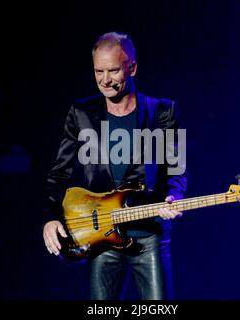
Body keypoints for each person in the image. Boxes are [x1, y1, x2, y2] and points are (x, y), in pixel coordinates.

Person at [42, 31, 187, 300]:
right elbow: (59, 172)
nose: (105, 80)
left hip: (149, 236)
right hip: (102, 238)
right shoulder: (81, 113)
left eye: (113, 71)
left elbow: (176, 168)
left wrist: (174, 196)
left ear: (132, 67)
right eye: (98, 71)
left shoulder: (162, 112)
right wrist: (50, 217)